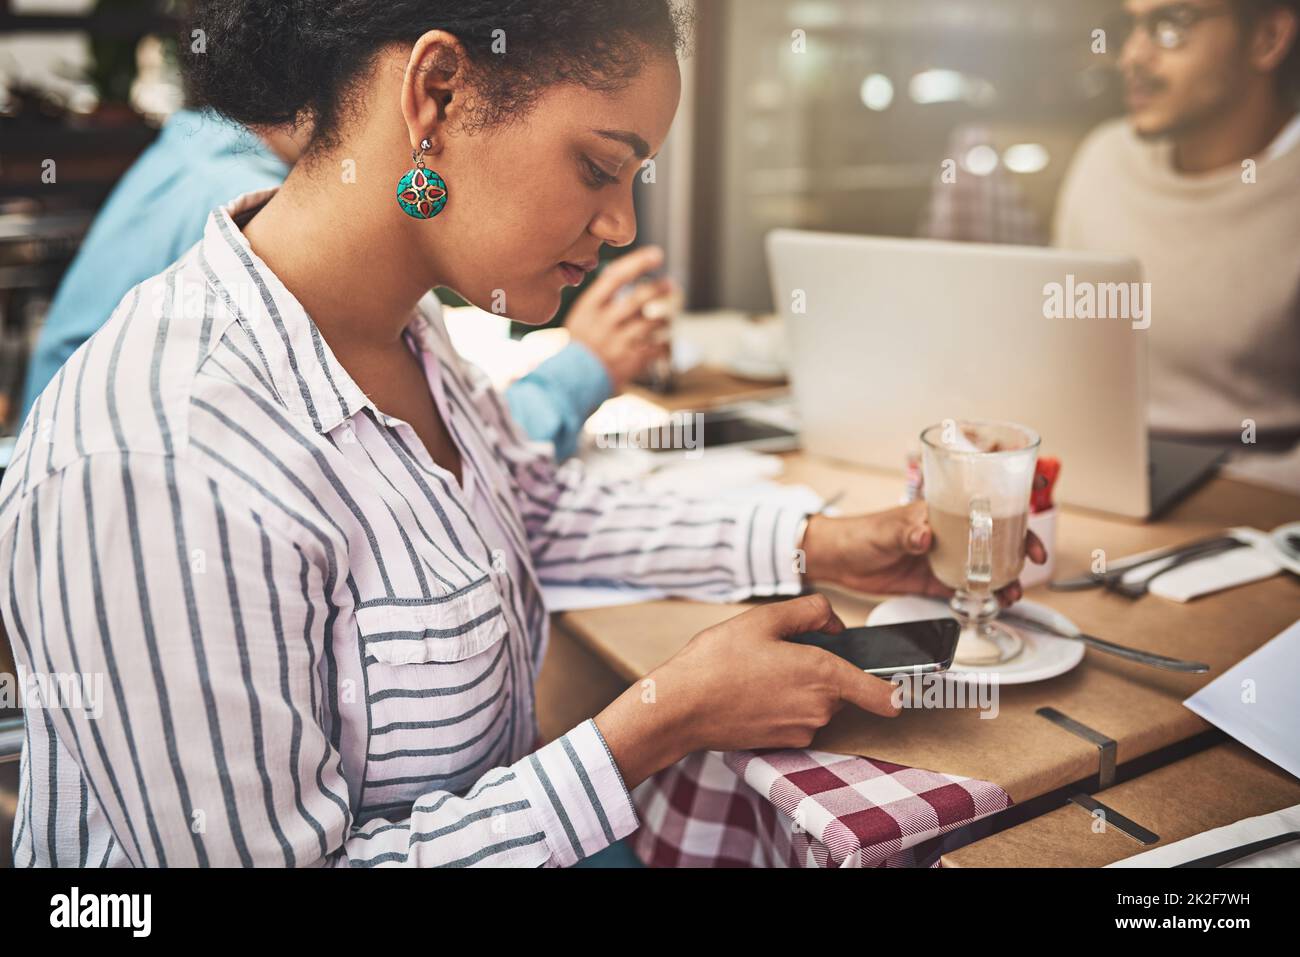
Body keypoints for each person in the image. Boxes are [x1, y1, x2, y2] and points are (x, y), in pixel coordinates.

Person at [0, 0, 1042, 868]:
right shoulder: (163, 457)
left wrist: (822, 541)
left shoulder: (407, 328)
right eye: (600, 167)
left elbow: (532, 503)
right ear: (438, 95)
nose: (623, 223)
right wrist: (655, 725)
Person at [19, 108, 670, 462]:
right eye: (596, 167)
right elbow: (404, 457)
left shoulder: (203, 145)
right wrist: (581, 371)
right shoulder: (255, 227)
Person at [1054, 0, 1300, 447]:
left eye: (1171, 25)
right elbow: (1065, 352)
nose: (1132, 56)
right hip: (1106, 470)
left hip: (1262, 499)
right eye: (1129, 28)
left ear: (1268, 38)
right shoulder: (1104, 160)